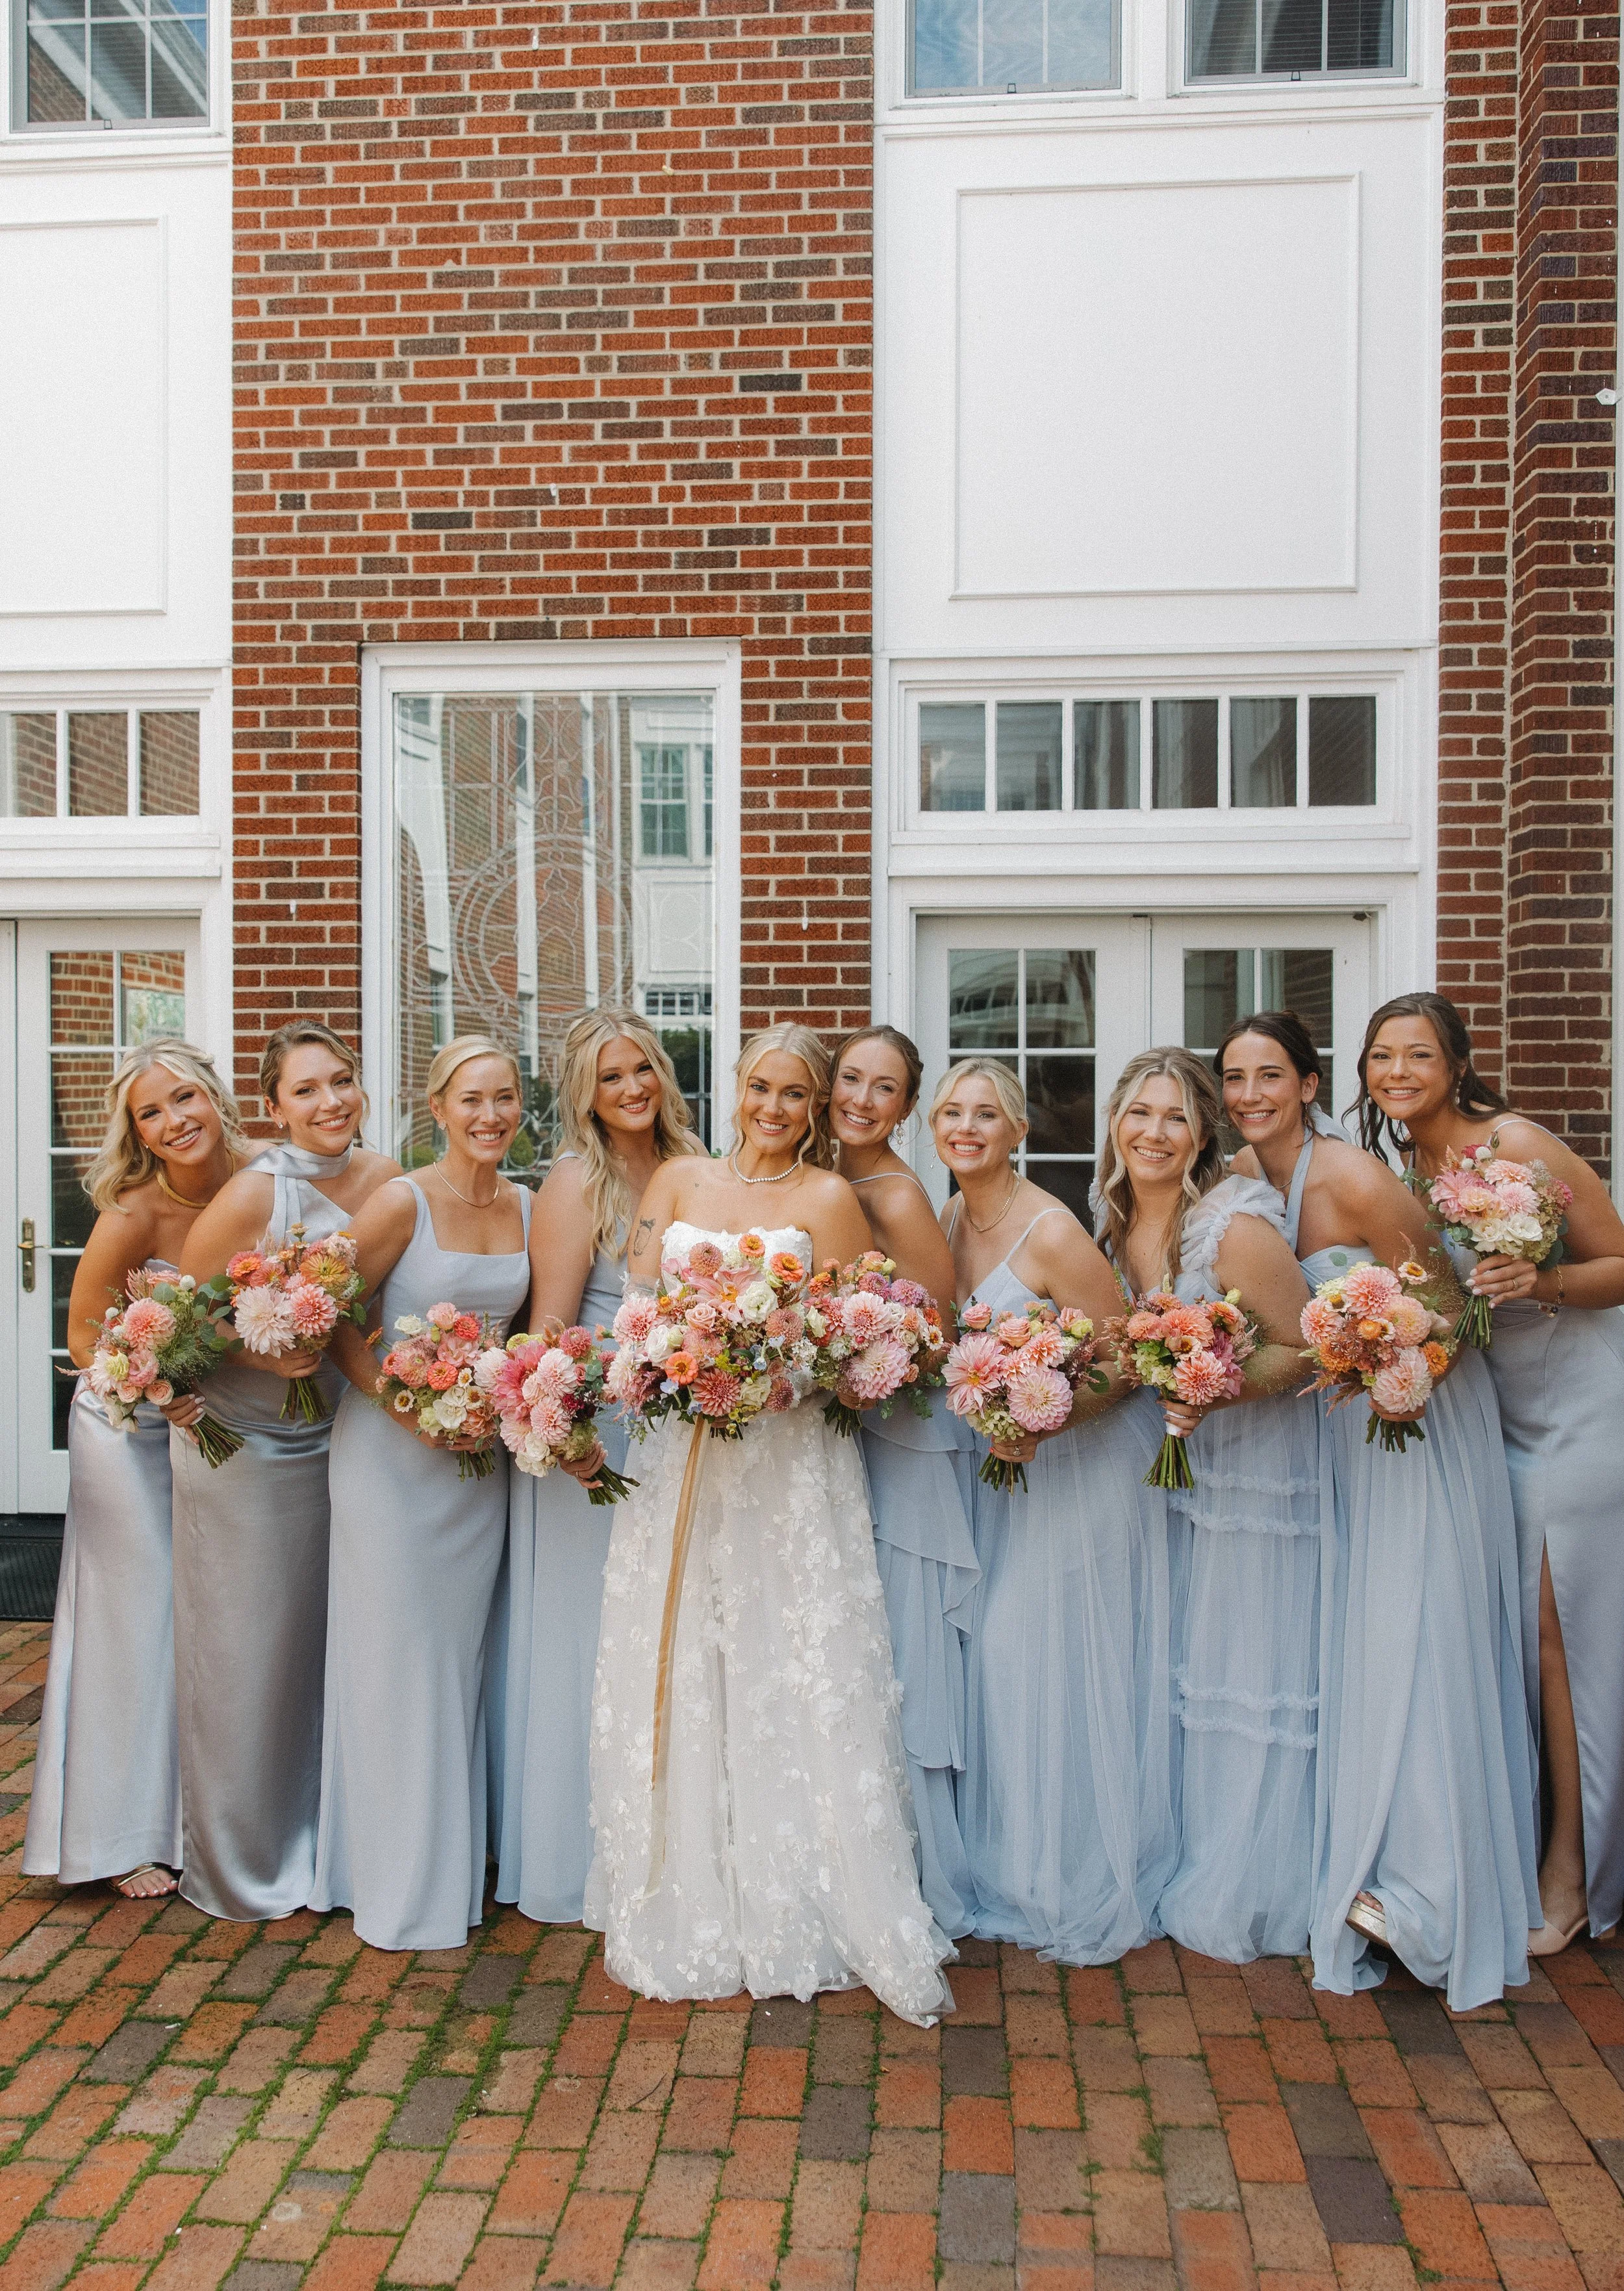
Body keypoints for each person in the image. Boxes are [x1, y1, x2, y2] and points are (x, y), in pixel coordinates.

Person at [584, 1023, 951, 2022]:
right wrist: (667, 1362)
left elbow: (851, 1336)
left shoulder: (828, 1200)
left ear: (816, 1104)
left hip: (788, 1462)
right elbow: (635, 1314)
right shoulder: (677, 1183)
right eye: (761, 1087)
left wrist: (778, 1372)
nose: (776, 1108)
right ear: (736, 1088)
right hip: (682, 1459)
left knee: (785, 1657)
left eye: (797, 1093)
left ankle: (803, 1895)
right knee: (685, 1655)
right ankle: (684, 1890)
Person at [1221, 1007, 1538, 2004]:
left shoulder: (1354, 1175)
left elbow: (1455, 1307)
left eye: (1271, 1074)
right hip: (1346, 1439)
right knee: (1365, 1642)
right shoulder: (1246, 1181)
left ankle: (1425, 1891)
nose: (1251, 1094)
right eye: (1234, 1077)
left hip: (1419, 1426)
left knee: (1419, 1636)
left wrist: (1395, 1361)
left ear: (1311, 1085)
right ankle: (1372, 1865)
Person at [1362, 991, 1623, 1952]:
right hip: (1494, 1418)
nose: (1397, 1072)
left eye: (1417, 1055)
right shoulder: (1406, 1169)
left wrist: (1541, 1280)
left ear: (1458, 1063)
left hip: (1580, 1410)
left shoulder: (1515, 1142)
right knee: (1514, 1632)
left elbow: (1621, 1261)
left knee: (1563, 1635)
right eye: (1381, 1056)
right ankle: (1521, 1846)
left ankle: (1575, 1872)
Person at [937, 1058, 1174, 1965]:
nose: (968, 1127)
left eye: (986, 1113)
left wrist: (1042, 1415)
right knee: (1003, 1664)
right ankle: (1010, 1861)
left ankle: (1063, 1875)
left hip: (1078, 1471)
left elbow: (1122, 1366)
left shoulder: (1050, 1230)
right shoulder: (952, 1214)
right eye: (953, 1112)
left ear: (1019, 1129)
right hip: (1003, 1472)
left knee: (1028, 1654)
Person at [1096, 1048, 1318, 1963]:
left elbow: (1309, 1348)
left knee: (1244, 1663)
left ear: (1202, 1133)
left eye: (1175, 1117)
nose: (1153, 1132)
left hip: (1253, 1475)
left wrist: (1215, 1384)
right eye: (1140, 1113)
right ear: (1117, 1120)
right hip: (1171, 1476)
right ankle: (1182, 1847)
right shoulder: (1109, 1224)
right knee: (1181, 1663)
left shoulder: (1233, 1227)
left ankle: (1250, 1872)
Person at [175, 1021, 400, 1921]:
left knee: (330, 1646)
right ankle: (245, 1858)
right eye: (305, 1090)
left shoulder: (389, 1182)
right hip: (248, 1448)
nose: (329, 1101)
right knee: (249, 1650)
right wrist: (264, 1352)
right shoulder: (248, 1195)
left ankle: (332, 1845)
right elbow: (182, 1320)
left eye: (341, 1081)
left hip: (343, 1441)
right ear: (271, 1109)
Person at [312, 1038, 533, 1951]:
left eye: (507, 1098)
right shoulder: (399, 1200)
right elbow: (332, 1319)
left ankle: (451, 1866)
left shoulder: (530, 1203)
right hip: (390, 1459)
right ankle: (395, 1883)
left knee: (458, 1660)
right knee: (395, 1662)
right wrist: (404, 1405)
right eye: (472, 1099)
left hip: (476, 1463)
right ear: (436, 1108)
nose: (491, 1115)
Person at [490, 1009, 704, 1926]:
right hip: (604, 1437)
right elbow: (549, 1327)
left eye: (641, 1070)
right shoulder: (576, 1181)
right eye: (610, 1077)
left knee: (673, 1634)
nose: (631, 1089)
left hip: (687, 1426)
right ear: (585, 1092)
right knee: (594, 1634)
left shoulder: (695, 1162)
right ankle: (582, 1852)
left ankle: (670, 1841)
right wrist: (568, 1435)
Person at [24, 1042, 248, 1901]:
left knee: (211, 1614)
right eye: (151, 1112)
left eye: (184, 1096)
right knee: (142, 1611)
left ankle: (211, 1814)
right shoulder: (132, 1213)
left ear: (214, 1095)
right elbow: (85, 1338)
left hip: (220, 1415)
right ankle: (120, 1835)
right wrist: (151, 1383)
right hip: (125, 1426)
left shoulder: (259, 1180)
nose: (175, 1120)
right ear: (139, 1132)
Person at [830, 1025, 979, 1938]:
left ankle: (920, 1860)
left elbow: (940, 1328)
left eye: (885, 1088)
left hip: (900, 1433)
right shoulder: (818, 1179)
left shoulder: (896, 1192)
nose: (862, 1099)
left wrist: (852, 1360)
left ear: (907, 1108)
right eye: (851, 1078)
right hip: (837, 1433)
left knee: (901, 1641)